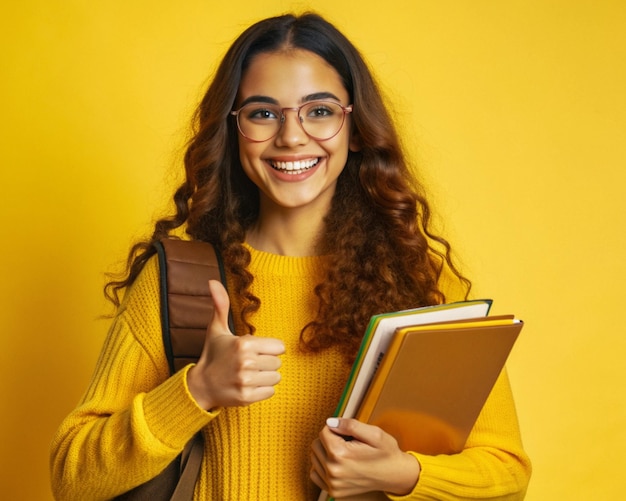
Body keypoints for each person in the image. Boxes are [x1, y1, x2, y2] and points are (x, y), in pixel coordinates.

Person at [50, 12, 531, 500]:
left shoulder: (419, 282)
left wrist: (403, 474)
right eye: (263, 113)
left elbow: (508, 473)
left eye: (319, 110)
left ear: (356, 127)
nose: (292, 136)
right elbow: (71, 478)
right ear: (234, 129)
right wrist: (196, 390)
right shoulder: (180, 283)